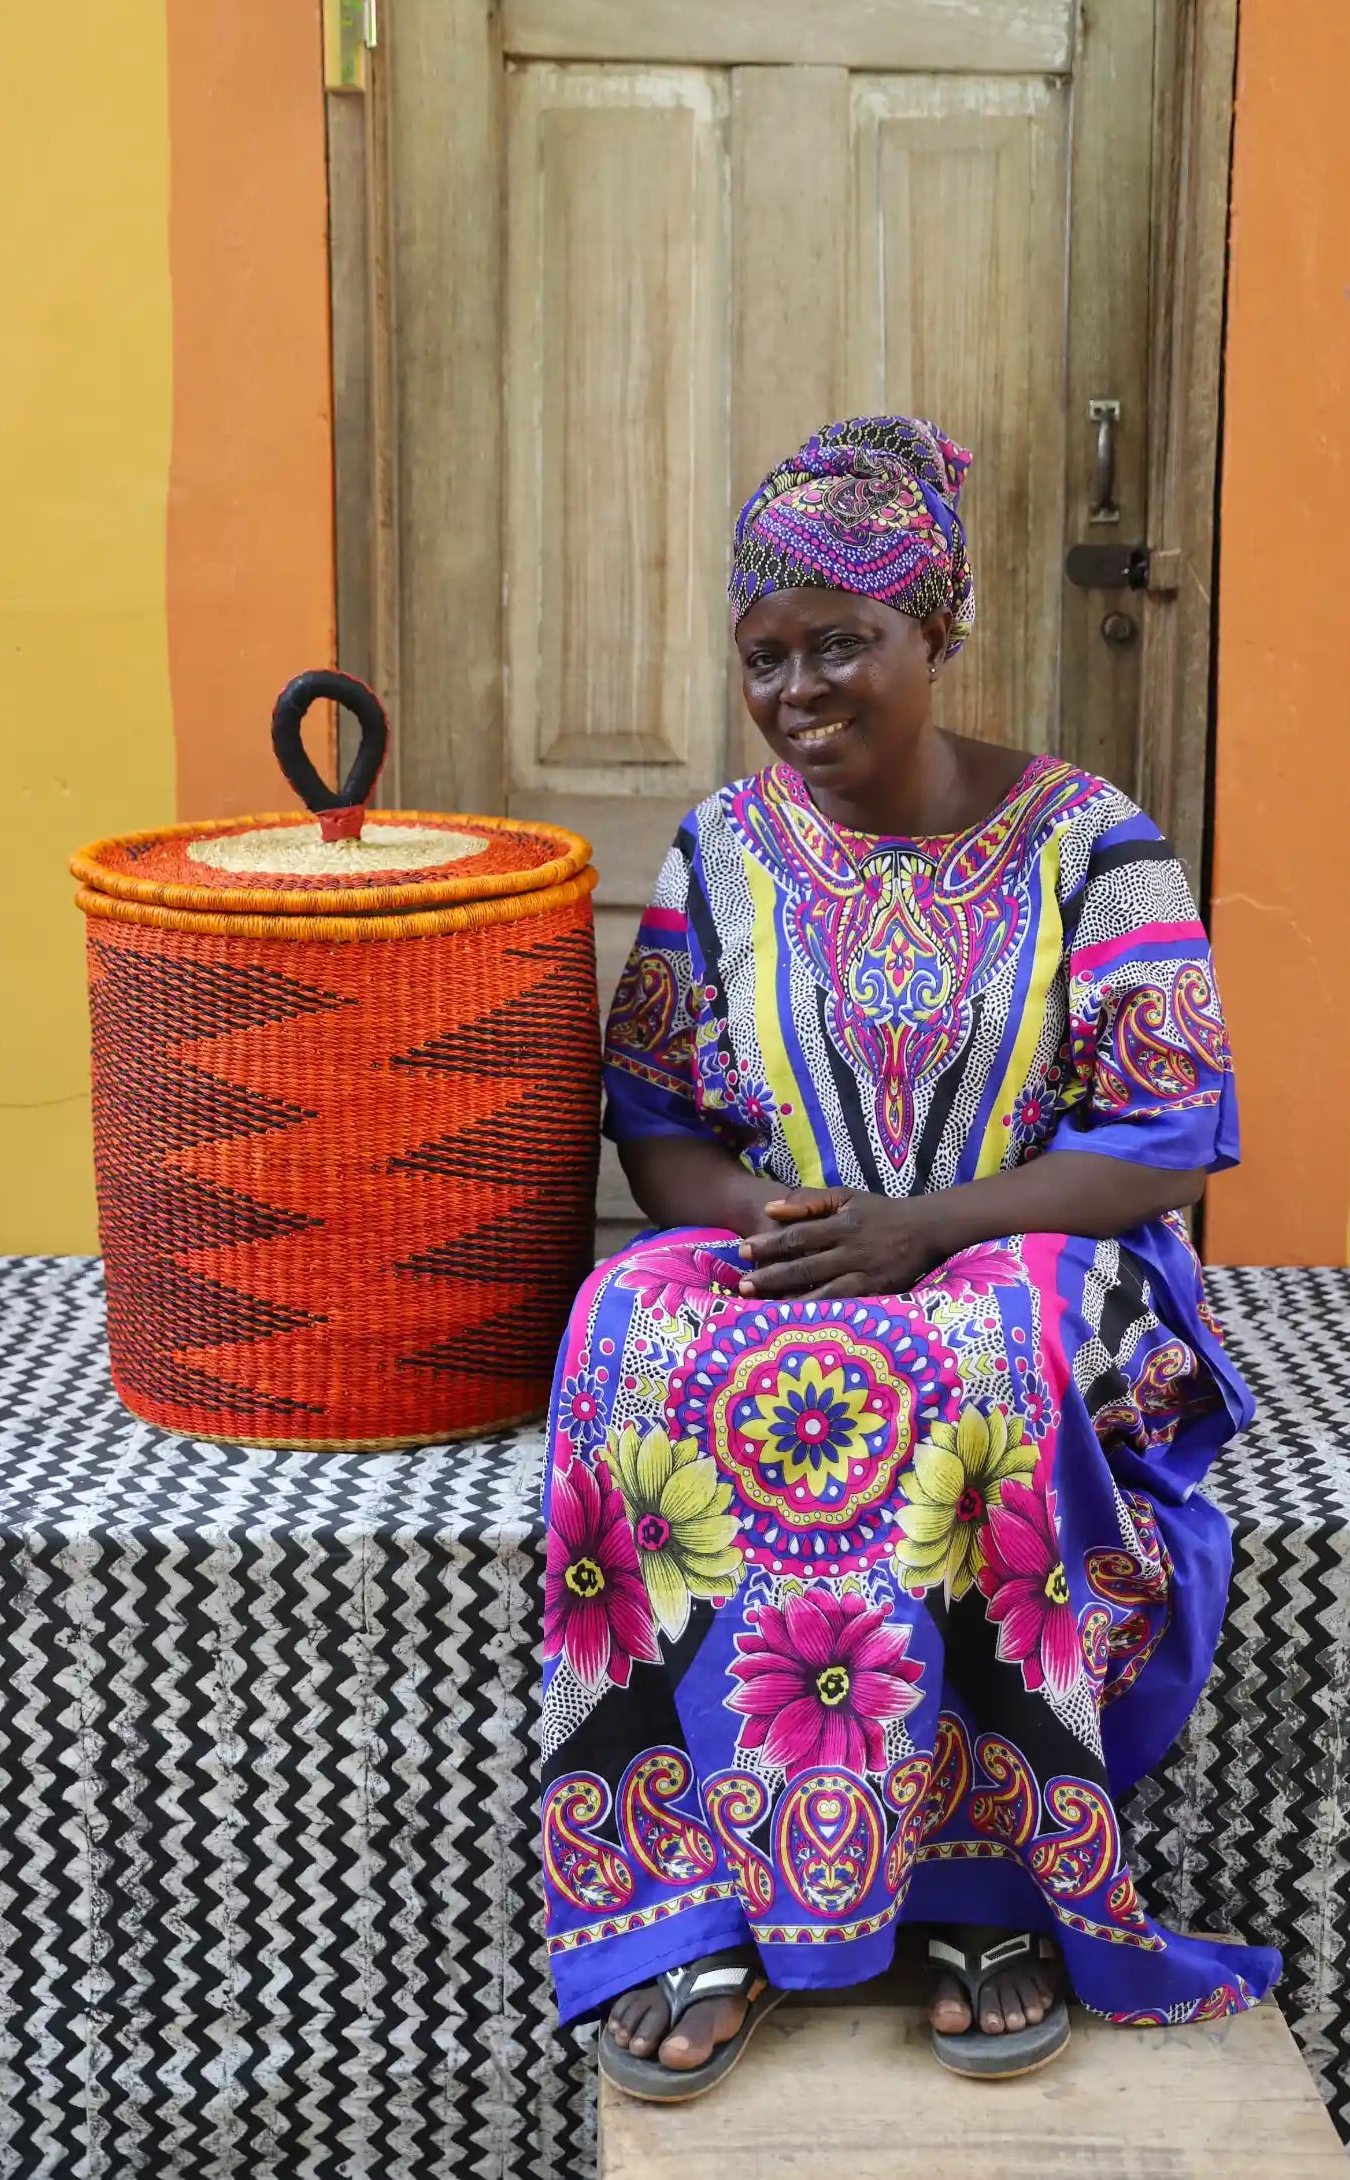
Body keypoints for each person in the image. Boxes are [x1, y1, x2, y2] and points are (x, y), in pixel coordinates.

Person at [539, 415, 1280, 2100]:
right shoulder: (722, 851)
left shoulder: (1091, 839)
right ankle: (692, 1893)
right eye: (766, 657)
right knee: (626, 1323)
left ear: (936, 631)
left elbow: (1167, 1135)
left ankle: (987, 1884)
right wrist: (776, 1225)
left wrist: (925, 1229)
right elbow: (656, 1125)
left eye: (841, 642)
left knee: (977, 1352)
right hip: (807, 1249)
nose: (798, 689)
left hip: (1040, 1252)